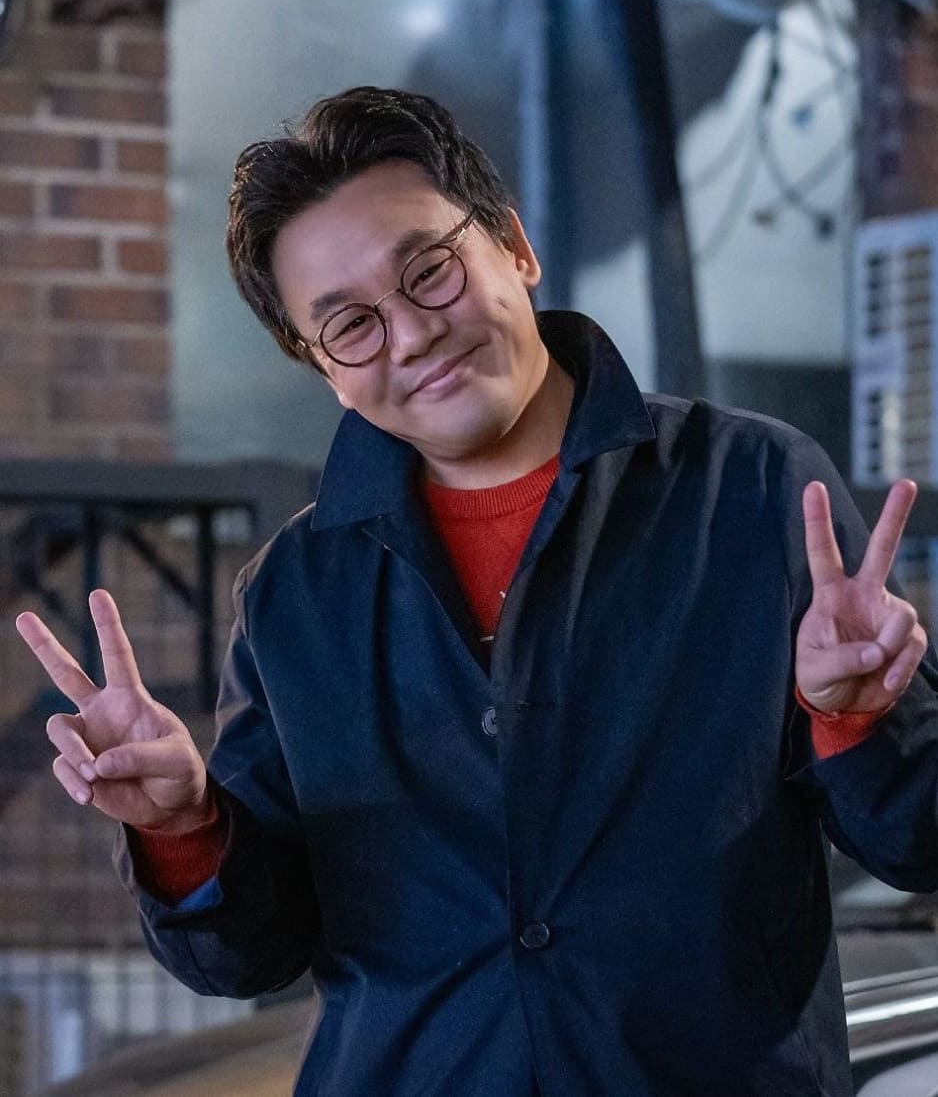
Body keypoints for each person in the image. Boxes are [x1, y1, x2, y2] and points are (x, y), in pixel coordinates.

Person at [15, 86, 938, 1097]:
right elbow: (249, 954)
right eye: (351, 325)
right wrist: (183, 829)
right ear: (322, 369)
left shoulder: (752, 491)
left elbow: (919, 842)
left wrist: (857, 720)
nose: (411, 335)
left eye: (429, 271)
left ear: (513, 246)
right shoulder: (297, 594)